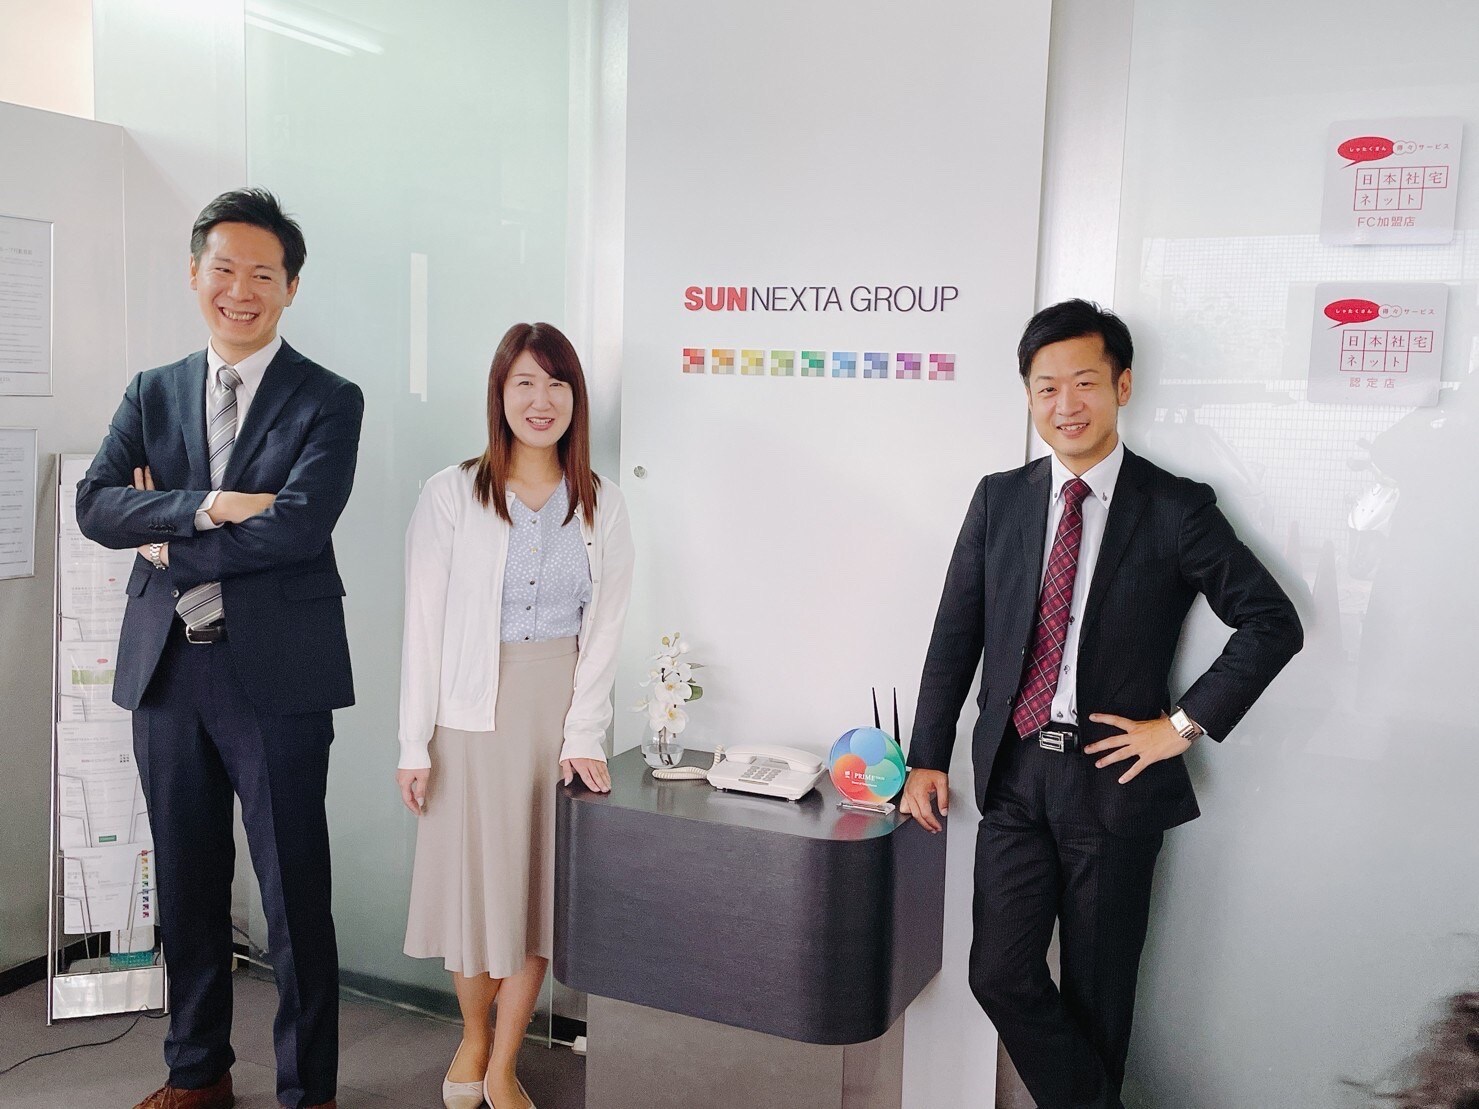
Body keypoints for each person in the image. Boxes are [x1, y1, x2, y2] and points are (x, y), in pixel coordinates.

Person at [901, 299, 1303, 1109]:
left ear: (1122, 385)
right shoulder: (999, 499)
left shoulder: (1174, 506)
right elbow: (955, 633)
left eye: (1084, 382)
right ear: (1027, 395)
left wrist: (1180, 725)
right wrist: (926, 755)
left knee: (1098, 995)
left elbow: (1272, 621)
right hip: (1014, 773)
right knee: (998, 973)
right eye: (1045, 387)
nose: (1065, 404)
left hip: (1114, 780)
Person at [76, 188, 362, 1109]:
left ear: (291, 287)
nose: (240, 290)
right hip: (167, 671)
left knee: (292, 893)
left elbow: (297, 526)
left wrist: (162, 537)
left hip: (275, 674)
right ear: (194, 273)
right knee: (188, 884)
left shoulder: (328, 399)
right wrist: (205, 506)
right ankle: (197, 1069)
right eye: (224, 269)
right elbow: (95, 505)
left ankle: (307, 1090)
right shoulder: (151, 390)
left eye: (262, 274)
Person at [396, 322, 634, 1109]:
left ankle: (503, 1058)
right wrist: (413, 741)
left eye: (556, 384)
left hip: (553, 713)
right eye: (524, 382)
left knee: (534, 894)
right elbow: (421, 623)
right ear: (499, 394)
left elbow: (604, 629)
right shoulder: (451, 493)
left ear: (575, 399)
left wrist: (583, 731)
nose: (541, 400)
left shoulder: (600, 501)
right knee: (474, 891)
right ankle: (472, 1031)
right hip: (468, 715)